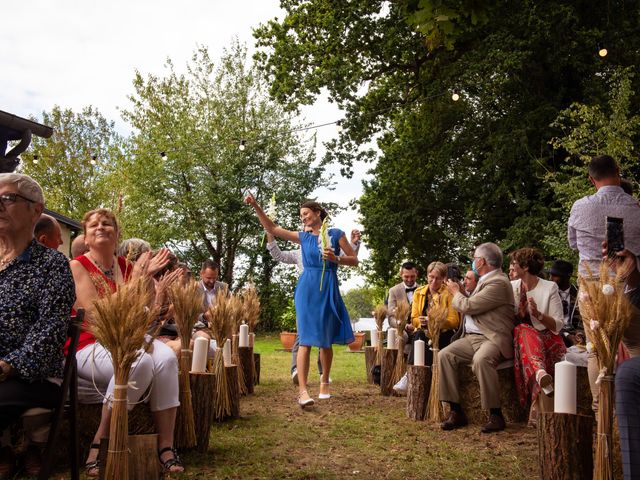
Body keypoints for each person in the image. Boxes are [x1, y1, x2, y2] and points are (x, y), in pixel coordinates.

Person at [70, 208, 183, 476]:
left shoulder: (128, 267)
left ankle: (165, 445)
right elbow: (100, 317)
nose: (101, 227)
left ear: (117, 234)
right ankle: (100, 441)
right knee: (138, 362)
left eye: (107, 224)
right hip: (92, 343)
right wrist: (140, 279)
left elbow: (141, 317)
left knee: (166, 359)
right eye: (94, 225)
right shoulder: (77, 266)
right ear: (85, 238)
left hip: (132, 337)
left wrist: (156, 293)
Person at [245, 193, 357, 407]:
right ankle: (303, 392)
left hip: (328, 287)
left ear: (317, 213)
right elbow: (273, 228)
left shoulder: (336, 234)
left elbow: (354, 260)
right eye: (301, 215)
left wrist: (336, 259)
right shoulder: (302, 237)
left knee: (325, 340)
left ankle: (324, 381)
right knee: (304, 339)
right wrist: (256, 205)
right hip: (307, 289)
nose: (303, 218)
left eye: (306, 214)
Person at [0, 174, 76, 477]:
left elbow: (51, 331)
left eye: (8, 198)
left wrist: (6, 366)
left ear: (36, 210)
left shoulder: (52, 265)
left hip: (32, 377)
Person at [267, 229, 362, 385]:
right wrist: (270, 234)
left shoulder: (327, 246)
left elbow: (345, 258)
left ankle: (323, 373)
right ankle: (296, 370)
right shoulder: (297, 252)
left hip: (324, 292)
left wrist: (354, 244)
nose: (311, 233)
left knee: (324, 334)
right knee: (303, 335)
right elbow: (278, 255)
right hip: (307, 296)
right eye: (307, 231)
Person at [439, 242, 515, 433]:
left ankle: (495, 414)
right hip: (472, 337)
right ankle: (456, 411)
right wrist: (461, 292)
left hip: (492, 338)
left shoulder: (499, 282)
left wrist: (456, 292)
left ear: (481, 261)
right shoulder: (485, 279)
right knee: (444, 355)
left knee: (481, 360)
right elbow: (473, 302)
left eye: (474, 259)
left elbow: (469, 307)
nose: (473, 262)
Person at [509, 248, 565, 426]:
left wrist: (539, 315)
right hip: (523, 339)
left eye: (514, 263)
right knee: (522, 329)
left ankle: (539, 374)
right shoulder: (512, 287)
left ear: (525, 267)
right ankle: (540, 374)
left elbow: (557, 325)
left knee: (524, 331)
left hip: (547, 338)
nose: (511, 266)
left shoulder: (550, 287)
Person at [568, 154, 640, 277]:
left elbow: (573, 244)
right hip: (630, 285)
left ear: (591, 179)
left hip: (589, 288)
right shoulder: (637, 207)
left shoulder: (579, 206)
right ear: (618, 171)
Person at [393, 261, 459, 393]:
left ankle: (409, 375)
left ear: (444, 278)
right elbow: (414, 318)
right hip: (424, 332)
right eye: (431, 277)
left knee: (420, 336)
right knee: (420, 335)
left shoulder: (448, 294)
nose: (434, 281)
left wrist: (435, 321)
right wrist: (421, 322)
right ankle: (416, 378)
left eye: (438, 278)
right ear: (427, 276)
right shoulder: (419, 292)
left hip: (444, 334)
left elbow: (454, 321)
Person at [548, 259, 583, 346]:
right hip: (556, 334)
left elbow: (584, 320)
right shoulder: (548, 293)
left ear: (567, 277)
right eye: (550, 275)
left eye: (555, 276)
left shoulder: (580, 293)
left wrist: (579, 335)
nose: (550, 279)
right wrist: (566, 335)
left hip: (577, 334)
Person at [387, 262, 419, 328]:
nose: (409, 280)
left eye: (412, 276)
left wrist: (417, 326)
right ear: (401, 274)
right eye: (406, 277)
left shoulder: (423, 290)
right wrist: (404, 326)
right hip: (400, 329)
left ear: (416, 274)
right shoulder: (393, 291)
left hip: (419, 329)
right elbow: (391, 317)